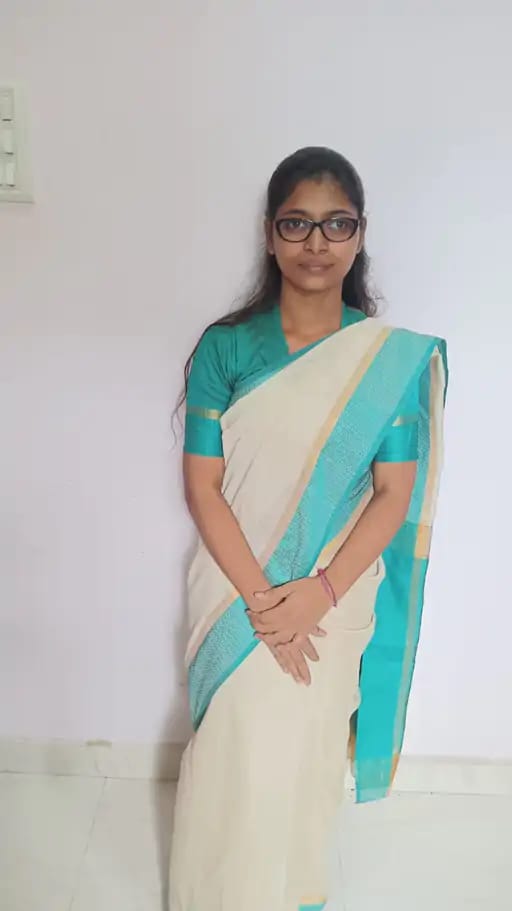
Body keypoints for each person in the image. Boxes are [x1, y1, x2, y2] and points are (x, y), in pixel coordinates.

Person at [169, 146, 448, 911]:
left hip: (333, 597)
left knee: (304, 754)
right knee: (233, 751)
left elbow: (392, 494)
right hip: (235, 589)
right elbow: (203, 487)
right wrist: (266, 604)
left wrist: (317, 595)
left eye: (336, 224)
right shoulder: (227, 348)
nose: (316, 243)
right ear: (270, 234)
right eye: (296, 223)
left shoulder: (384, 361)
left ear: (360, 235)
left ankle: (292, 897)